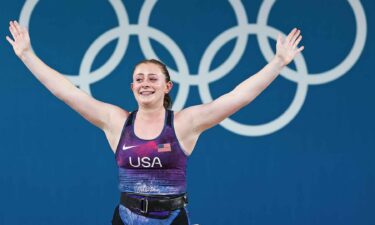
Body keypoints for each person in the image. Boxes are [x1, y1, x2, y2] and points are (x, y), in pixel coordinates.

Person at [6, 20, 304, 225]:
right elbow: (66, 92)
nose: (144, 83)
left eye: (152, 78)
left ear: (167, 86)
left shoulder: (185, 124)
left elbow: (238, 97)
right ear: (132, 87)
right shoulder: (115, 122)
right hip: (124, 219)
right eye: (138, 79)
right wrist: (27, 55)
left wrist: (277, 63)